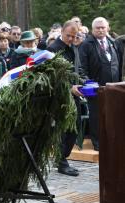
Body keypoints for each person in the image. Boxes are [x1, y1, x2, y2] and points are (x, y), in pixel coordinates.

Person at [79, 17, 123, 151]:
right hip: (96, 88)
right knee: (97, 116)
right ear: (92, 29)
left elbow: (118, 63)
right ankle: (98, 142)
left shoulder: (112, 42)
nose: (100, 30)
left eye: (103, 27)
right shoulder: (86, 44)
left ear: (108, 28)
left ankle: (112, 140)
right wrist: (89, 84)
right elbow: (82, 68)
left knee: (113, 115)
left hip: (114, 88)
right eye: (97, 28)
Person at [47, 20, 83, 176]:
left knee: (75, 128)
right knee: (64, 130)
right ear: (62, 32)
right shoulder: (53, 49)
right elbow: (51, 76)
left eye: (74, 36)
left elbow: (77, 69)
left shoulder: (73, 47)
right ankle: (61, 162)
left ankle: (63, 158)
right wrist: (69, 88)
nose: (71, 39)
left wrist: (84, 81)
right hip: (60, 97)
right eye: (68, 36)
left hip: (74, 95)